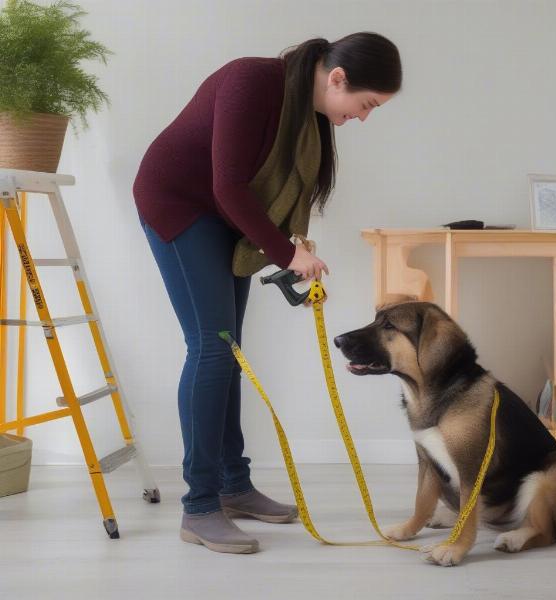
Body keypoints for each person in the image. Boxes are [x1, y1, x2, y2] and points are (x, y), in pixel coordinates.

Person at [133, 31, 402, 554]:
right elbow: (228, 184)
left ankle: (234, 485)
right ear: (338, 78)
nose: (364, 118)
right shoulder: (250, 81)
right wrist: (287, 254)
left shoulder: (309, 112)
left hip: (223, 216)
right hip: (180, 204)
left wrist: (290, 242)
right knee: (211, 349)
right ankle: (200, 506)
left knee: (229, 350)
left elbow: (253, 191)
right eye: (365, 105)